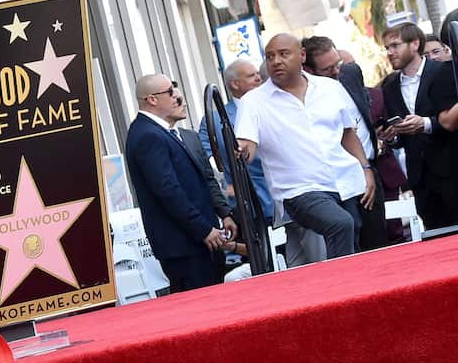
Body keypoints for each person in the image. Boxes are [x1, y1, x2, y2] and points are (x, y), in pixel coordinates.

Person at [236, 33, 375, 261]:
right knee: (340, 224)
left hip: (345, 181)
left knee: (355, 244)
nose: (276, 61)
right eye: (270, 56)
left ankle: (347, 281)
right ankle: (344, 281)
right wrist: (241, 150)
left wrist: (365, 168)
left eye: (283, 54)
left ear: (302, 55)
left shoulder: (330, 88)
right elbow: (247, 145)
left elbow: (347, 133)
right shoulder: (253, 102)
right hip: (298, 190)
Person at [124, 74, 235, 293]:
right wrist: (203, 230)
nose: (177, 96)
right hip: (184, 245)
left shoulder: (169, 133)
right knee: (201, 305)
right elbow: (168, 191)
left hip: (199, 241)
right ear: (152, 99)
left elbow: (204, 179)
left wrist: (224, 214)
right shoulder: (147, 135)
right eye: (170, 91)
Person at [302, 36, 389, 249]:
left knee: (378, 242)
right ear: (309, 70)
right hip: (336, 179)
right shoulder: (304, 97)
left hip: (369, 170)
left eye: (337, 64)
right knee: (349, 245)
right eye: (327, 69)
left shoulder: (350, 74)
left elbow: (363, 108)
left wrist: (368, 166)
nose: (336, 71)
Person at [381, 23, 458, 229]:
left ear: (415, 44)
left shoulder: (443, 71)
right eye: (387, 48)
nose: (390, 52)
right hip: (421, 181)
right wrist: (391, 136)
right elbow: (399, 138)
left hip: (452, 169)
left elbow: (453, 119)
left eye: (395, 45)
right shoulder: (389, 87)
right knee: (436, 238)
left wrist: (425, 123)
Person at [199, 59, 274, 228]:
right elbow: (204, 158)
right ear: (235, 84)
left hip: (287, 195)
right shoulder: (216, 119)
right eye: (251, 75)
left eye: (258, 74)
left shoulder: (275, 106)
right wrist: (225, 186)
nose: (258, 78)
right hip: (248, 203)